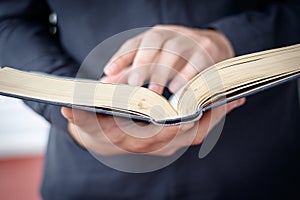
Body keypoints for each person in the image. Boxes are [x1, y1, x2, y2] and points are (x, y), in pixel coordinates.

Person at [0, 0, 299, 199]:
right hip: (89, 175)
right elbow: (8, 19)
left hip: (260, 164)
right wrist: (73, 106)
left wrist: (228, 40)